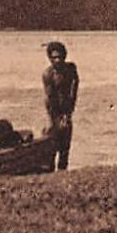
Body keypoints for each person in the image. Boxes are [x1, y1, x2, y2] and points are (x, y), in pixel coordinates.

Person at [42, 41, 79, 170]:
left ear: (64, 56)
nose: (57, 60)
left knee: (65, 145)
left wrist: (68, 114)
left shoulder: (70, 69)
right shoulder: (48, 74)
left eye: (59, 57)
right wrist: (57, 118)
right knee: (52, 144)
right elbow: (50, 97)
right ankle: (50, 169)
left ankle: (63, 169)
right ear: (50, 58)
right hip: (53, 110)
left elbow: (73, 91)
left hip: (66, 109)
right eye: (54, 57)